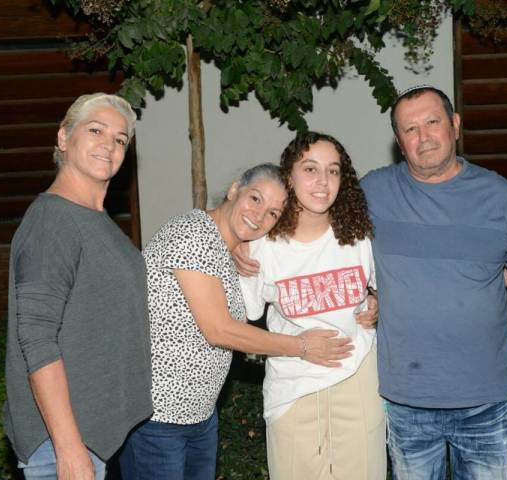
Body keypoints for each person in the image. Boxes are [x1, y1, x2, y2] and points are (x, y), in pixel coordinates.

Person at [119, 163, 357, 480]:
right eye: (255, 199)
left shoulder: (226, 247)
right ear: (234, 190)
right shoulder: (193, 233)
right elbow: (219, 330)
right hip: (158, 417)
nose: (259, 216)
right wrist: (301, 346)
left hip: (199, 416)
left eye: (273, 213)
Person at [361, 85, 507, 479]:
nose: (424, 136)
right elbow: (316, 232)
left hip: (486, 398)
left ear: (455, 125)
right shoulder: (373, 192)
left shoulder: (498, 194)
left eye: (433, 122)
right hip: (407, 400)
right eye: (410, 129)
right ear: (399, 142)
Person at [3, 93, 152, 479]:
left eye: (120, 139)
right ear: (63, 138)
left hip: (89, 437)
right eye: (96, 130)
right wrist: (68, 449)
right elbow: (36, 339)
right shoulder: (53, 220)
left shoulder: (95, 220)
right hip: (62, 444)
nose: (110, 145)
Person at [238, 132, 384, 479]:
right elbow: (241, 319)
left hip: (357, 376)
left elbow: (384, 289)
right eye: (310, 169)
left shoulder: (358, 235)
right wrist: (233, 247)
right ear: (288, 176)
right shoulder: (261, 245)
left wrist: (378, 302)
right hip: (292, 387)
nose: (323, 181)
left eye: (333, 171)